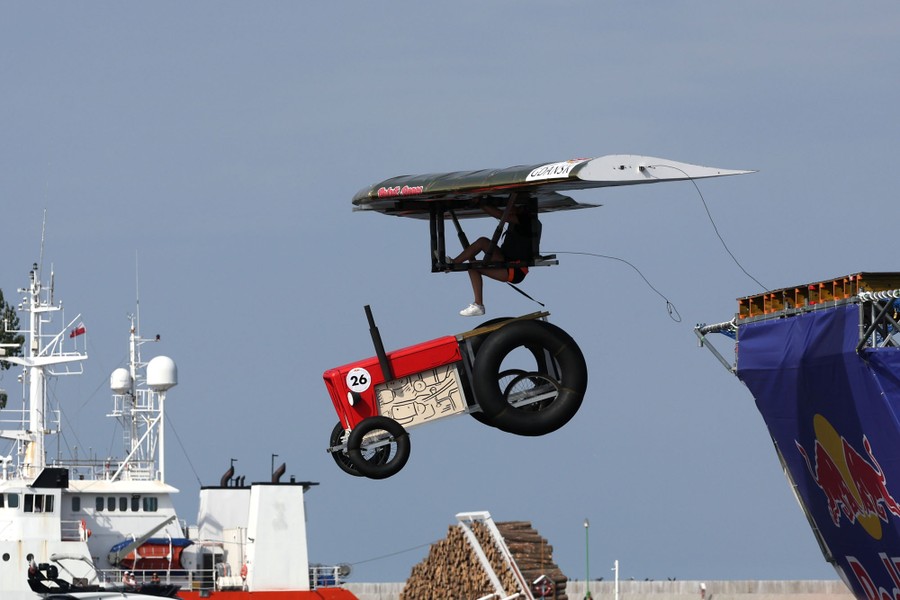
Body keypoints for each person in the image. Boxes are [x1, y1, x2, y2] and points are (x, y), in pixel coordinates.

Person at [451, 200, 541, 316]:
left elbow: (500, 215)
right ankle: (454, 263)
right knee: (483, 241)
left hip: (515, 269)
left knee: (472, 267)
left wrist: (481, 203)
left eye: (515, 207)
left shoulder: (526, 220)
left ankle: (478, 305)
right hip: (506, 258)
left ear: (523, 210)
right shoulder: (523, 220)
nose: (511, 208)